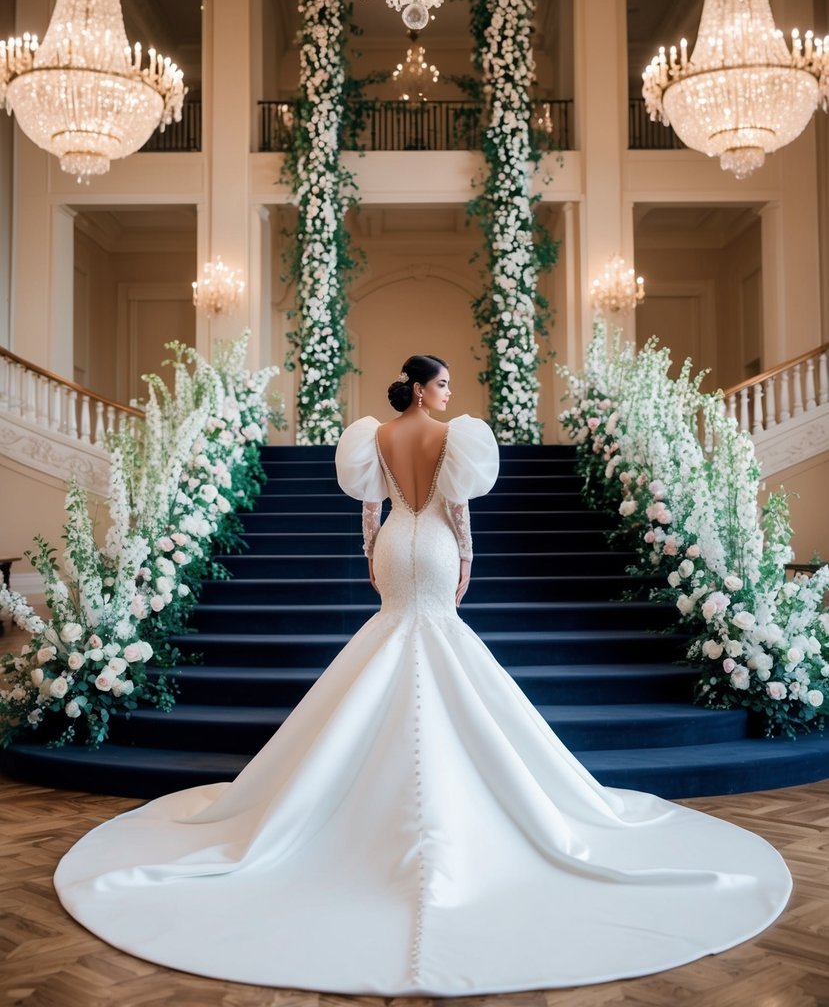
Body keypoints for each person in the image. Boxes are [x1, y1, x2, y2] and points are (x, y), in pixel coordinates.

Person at [54, 353, 792, 994]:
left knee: (390, 637)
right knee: (439, 639)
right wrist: (468, 558)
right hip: (434, 542)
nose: (447, 393)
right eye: (440, 384)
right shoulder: (453, 436)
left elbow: (369, 510)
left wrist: (374, 552)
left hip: (394, 546)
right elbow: (459, 507)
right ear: (419, 386)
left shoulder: (369, 436)